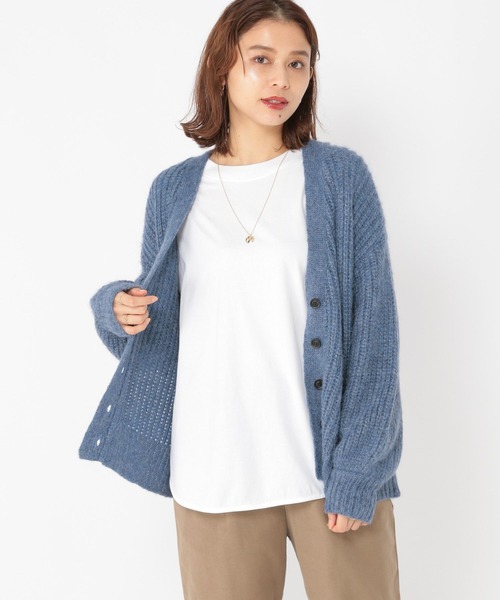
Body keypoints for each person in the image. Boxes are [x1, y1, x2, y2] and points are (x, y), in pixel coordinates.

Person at [79, 0, 403, 598]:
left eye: (298, 63)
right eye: (261, 59)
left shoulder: (339, 178)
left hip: (327, 476)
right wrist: (114, 307)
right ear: (222, 66)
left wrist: (360, 469)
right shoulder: (173, 190)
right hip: (214, 473)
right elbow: (159, 334)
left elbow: (374, 334)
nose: (281, 79)